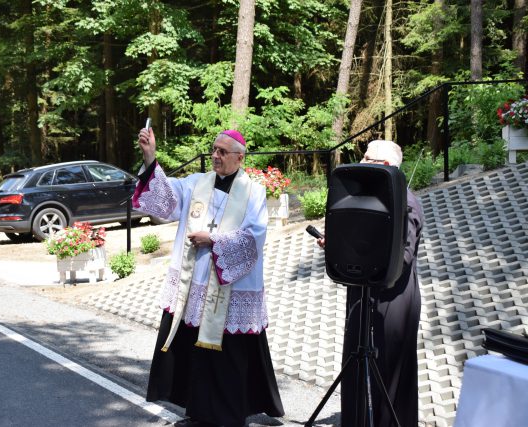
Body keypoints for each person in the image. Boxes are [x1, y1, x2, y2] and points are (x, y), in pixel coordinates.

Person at [132, 127, 284, 427]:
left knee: (229, 357)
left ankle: (229, 417)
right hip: (194, 284)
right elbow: (165, 201)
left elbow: (255, 236)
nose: (215, 155)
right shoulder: (195, 184)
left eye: (222, 152)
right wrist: (150, 157)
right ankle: (198, 413)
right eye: (214, 149)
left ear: (239, 158)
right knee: (195, 352)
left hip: (231, 286)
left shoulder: (254, 192)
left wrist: (214, 241)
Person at [316, 140, 424, 427]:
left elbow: (403, 257)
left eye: (367, 157)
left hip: (393, 298)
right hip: (361, 292)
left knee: (390, 370)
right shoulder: (363, 198)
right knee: (356, 360)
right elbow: (359, 243)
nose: (361, 161)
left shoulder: (408, 202)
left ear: (386, 166)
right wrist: (337, 244)